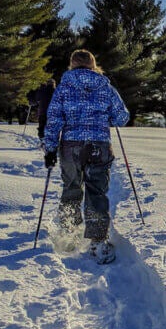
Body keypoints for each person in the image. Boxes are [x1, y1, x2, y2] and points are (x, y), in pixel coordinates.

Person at [42, 49, 130, 263]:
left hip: (71, 147)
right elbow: (122, 117)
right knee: (96, 192)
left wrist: (50, 148)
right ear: (93, 64)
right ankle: (98, 242)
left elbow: (53, 120)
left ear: (72, 65)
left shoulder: (63, 87)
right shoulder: (105, 87)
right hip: (99, 145)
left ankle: (69, 235)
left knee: (72, 188)